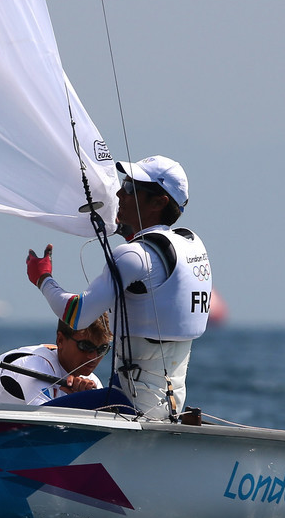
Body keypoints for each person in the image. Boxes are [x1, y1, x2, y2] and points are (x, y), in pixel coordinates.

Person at [26, 155, 213, 420]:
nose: (119, 193)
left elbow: (75, 315)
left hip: (129, 403)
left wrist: (42, 278)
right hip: (169, 403)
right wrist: (132, 233)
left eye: (129, 189)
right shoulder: (191, 243)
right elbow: (155, 276)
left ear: (159, 202)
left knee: (36, 419)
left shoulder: (133, 256)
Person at [0, 313, 113, 405]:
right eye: (85, 346)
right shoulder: (35, 365)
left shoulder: (92, 381)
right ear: (60, 340)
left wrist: (89, 399)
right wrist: (82, 401)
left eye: (102, 349)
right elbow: (47, 419)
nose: (93, 357)